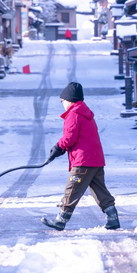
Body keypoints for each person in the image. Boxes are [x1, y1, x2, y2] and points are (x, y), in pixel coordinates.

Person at [41, 81, 119, 231]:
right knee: (99, 189)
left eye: (62, 101)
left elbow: (69, 138)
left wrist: (58, 147)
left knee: (73, 188)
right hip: (95, 160)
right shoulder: (86, 114)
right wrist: (62, 149)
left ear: (69, 100)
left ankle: (61, 220)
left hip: (83, 161)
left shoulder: (73, 115)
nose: (62, 104)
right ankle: (112, 217)